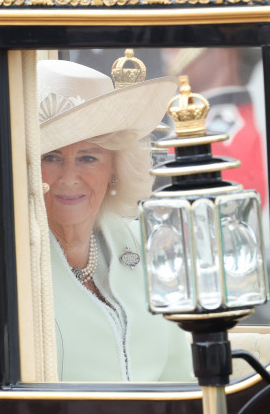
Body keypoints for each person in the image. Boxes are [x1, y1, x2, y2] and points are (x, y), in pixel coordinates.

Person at [38, 57, 194, 382]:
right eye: (50, 157)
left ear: (115, 167)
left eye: (88, 158)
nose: (68, 177)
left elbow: (179, 375)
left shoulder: (144, 241)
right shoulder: (1, 257)